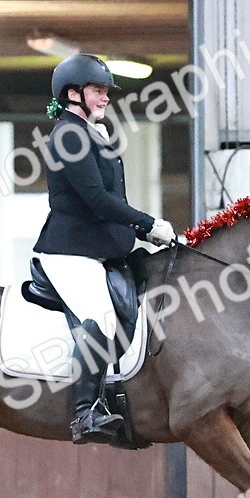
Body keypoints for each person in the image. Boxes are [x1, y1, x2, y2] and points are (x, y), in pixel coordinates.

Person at [33, 53, 176, 443]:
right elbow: (96, 199)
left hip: (99, 248)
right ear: (73, 94)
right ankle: (85, 413)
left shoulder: (91, 133)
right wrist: (147, 224)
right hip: (70, 252)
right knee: (98, 318)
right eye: (98, 90)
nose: (106, 97)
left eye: (106, 91)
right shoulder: (69, 135)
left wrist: (141, 233)